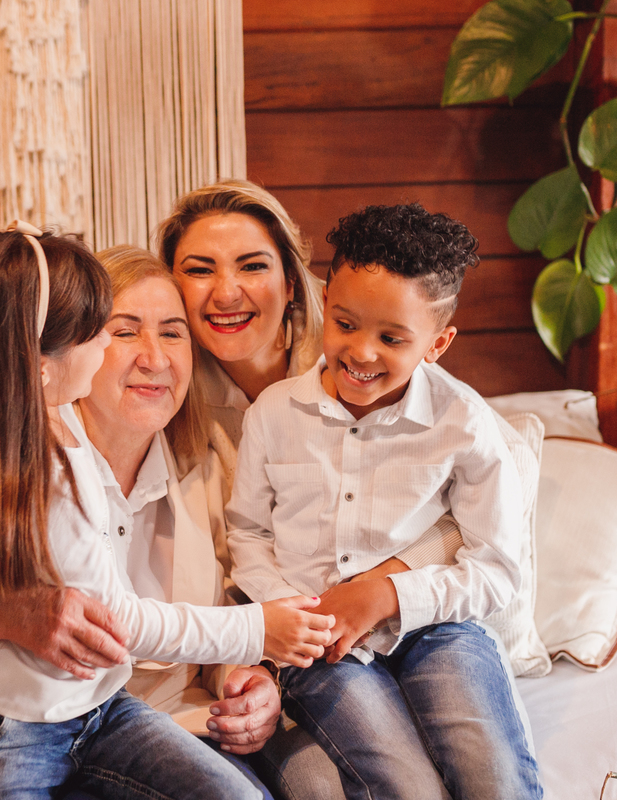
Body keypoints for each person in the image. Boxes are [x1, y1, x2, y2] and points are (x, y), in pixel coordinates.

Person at [0, 244, 312, 798]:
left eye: (173, 332)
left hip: (138, 725)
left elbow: (220, 613)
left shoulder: (211, 469)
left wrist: (247, 677)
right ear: (44, 350)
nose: (153, 357)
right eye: (120, 329)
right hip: (6, 729)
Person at [225, 204, 543, 800]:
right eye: (345, 324)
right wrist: (290, 612)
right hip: (323, 648)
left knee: (493, 776)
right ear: (325, 301)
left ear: (438, 343)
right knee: (403, 785)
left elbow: (497, 568)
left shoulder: (466, 423)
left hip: (438, 630)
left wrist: (388, 595)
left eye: (392, 338)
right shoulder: (274, 413)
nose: (361, 353)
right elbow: (247, 535)